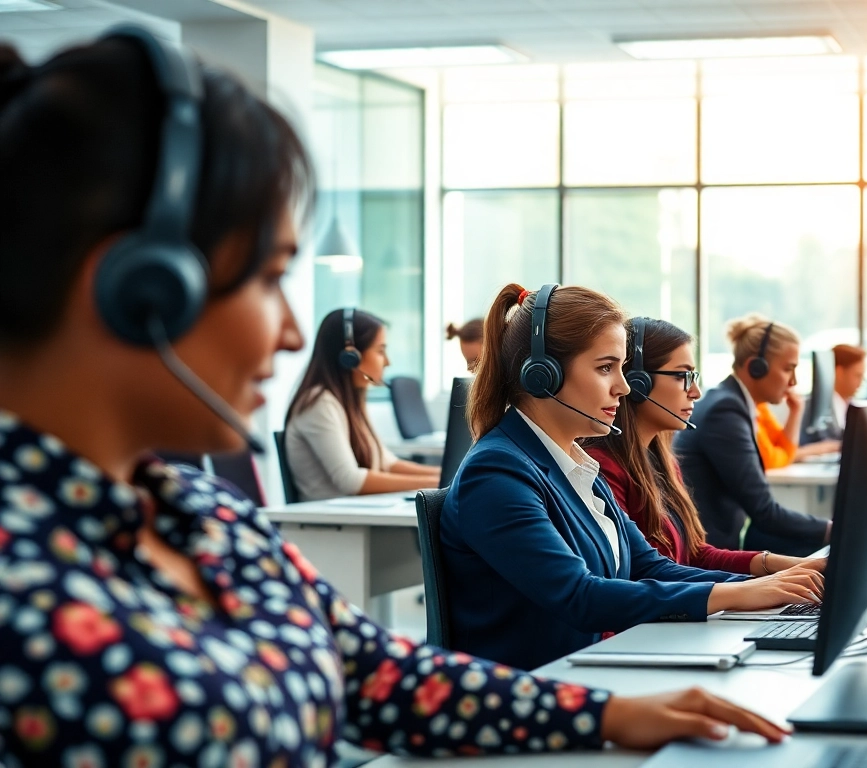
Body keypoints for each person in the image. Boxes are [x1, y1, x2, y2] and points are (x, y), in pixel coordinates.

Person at [0, 32, 788, 765]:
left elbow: (382, 674)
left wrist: (607, 717)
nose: (290, 330)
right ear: (143, 288)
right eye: (272, 278)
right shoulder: (24, 569)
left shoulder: (205, 516)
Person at [440, 285, 824, 670]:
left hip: (589, 668)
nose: (623, 387)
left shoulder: (573, 463)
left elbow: (650, 567)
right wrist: (740, 594)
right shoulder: (495, 473)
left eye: (622, 369)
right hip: (535, 692)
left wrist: (767, 586)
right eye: (606, 368)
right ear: (543, 375)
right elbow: (581, 597)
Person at [588, 317, 826, 578]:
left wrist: (798, 567)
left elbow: (697, 554)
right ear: (637, 384)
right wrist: (758, 588)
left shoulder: (663, 460)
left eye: (694, 376)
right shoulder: (604, 468)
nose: (695, 392)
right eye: (683, 376)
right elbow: (652, 573)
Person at [675, 314, 832, 557]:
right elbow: (764, 511)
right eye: (788, 369)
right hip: (706, 553)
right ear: (756, 367)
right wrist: (833, 530)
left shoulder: (734, 401)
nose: (793, 381)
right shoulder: (725, 411)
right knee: (824, 549)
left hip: (718, 540)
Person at [284, 308, 439, 500]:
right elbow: (351, 481)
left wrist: (444, 475)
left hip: (354, 516)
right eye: (381, 351)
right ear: (350, 358)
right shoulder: (319, 403)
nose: (387, 362)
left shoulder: (350, 400)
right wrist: (437, 483)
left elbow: (386, 462)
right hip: (332, 523)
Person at [799, 343, 865, 445]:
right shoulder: (811, 408)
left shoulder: (852, 405)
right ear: (839, 373)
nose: (861, 382)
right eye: (858, 375)